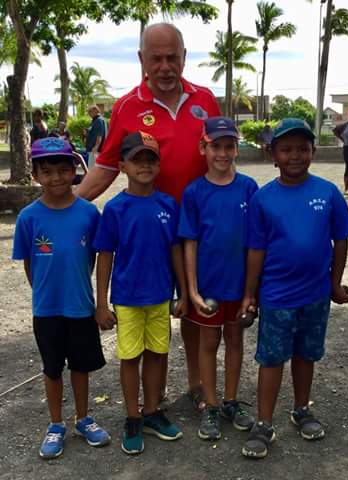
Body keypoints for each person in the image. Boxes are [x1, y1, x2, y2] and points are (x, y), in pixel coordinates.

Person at [76, 23, 221, 410]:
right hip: (151, 235)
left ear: (184, 57)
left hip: (199, 232)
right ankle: (151, 401)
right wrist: (71, 201)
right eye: (155, 58)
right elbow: (107, 165)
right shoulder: (127, 106)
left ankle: (196, 383)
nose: (165, 66)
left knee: (194, 308)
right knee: (152, 309)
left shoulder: (205, 100)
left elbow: (221, 155)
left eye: (172, 57)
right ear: (142, 59)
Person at [240, 118, 348, 459]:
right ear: (273, 154)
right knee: (272, 358)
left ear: (313, 152)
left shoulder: (327, 192)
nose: (295, 156)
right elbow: (256, 250)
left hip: (316, 294)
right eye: (286, 149)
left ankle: (301, 409)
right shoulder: (263, 199)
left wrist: (334, 283)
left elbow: (340, 240)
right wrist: (250, 294)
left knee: (306, 355)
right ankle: (263, 423)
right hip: (276, 296)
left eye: (302, 149)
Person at [12, 137, 110, 459]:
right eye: (47, 171)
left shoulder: (88, 214)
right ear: (36, 174)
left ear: (74, 171)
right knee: (52, 369)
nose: (56, 178)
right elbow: (30, 263)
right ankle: (56, 424)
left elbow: (93, 259)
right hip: (47, 310)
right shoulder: (28, 217)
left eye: (63, 170)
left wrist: (94, 301)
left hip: (80, 307)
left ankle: (83, 418)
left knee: (80, 367)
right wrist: (44, 293)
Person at [94, 131, 186, 455]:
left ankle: (151, 411)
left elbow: (177, 251)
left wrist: (184, 292)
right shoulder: (116, 209)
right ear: (122, 166)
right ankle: (132, 416)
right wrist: (101, 304)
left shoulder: (168, 205)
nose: (144, 165)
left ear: (158, 166)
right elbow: (104, 255)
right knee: (130, 357)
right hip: (128, 298)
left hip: (161, 296)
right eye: (137, 160)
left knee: (158, 354)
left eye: (151, 159)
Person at [178, 117, 258, 441]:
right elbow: (189, 242)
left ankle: (230, 401)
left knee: (236, 341)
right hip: (209, 287)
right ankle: (210, 404)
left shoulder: (249, 188)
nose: (222, 153)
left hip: (239, 287)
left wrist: (252, 292)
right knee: (208, 343)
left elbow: (256, 243)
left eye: (229, 146)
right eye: (215, 146)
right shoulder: (195, 192)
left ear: (237, 149)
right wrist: (192, 290)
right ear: (203, 148)